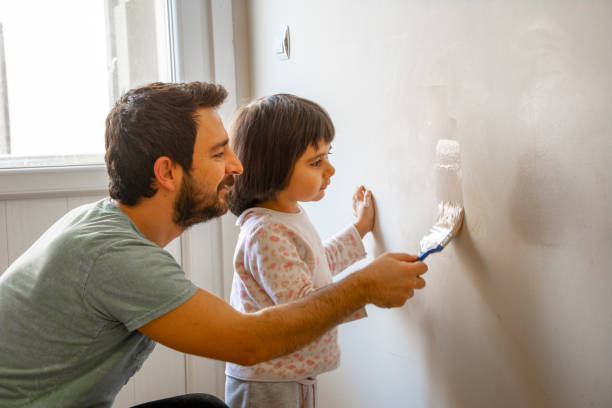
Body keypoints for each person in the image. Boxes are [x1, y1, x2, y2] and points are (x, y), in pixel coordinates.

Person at [0, 82, 428, 408]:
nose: (237, 166)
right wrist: (363, 286)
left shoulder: (110, 232)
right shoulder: (113, 256)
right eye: (219, 153)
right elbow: (247, 342)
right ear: (167, 172)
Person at [224, 94, 377, 408]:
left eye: (327, 156)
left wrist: (359, 229)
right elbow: (304, 306)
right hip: (266, 382)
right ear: (273, 168)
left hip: (290, 373)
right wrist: (368, 288)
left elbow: (316, 261)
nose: (330, 169)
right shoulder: (264, 231)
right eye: (316, 162)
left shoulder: (286, 216)